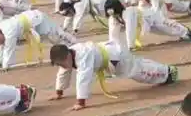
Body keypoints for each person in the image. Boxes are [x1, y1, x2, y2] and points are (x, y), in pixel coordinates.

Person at [49, 42, 178, 110]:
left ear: (67, 56)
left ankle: (168, 73)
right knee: (139, 65)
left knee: (139, 72)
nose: (64, 67)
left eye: (62, 63)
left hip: (116, 57)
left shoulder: (83, 56)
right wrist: (58, 92)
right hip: (110, 55)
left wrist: (80, 102)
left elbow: (83, 79)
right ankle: (166, 70)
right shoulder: (69, 54)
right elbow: (63, 73)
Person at [0, 9, 76, 69]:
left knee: (56, 36)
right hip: (32, 23)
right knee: (55, 37)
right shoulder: (0, 28)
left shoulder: (9, 31)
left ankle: (74, 44)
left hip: (38, 19)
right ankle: (71, 45)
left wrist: (5, 66)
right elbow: (1, 47)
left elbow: (8, 49)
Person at [105, 0, 191, 51]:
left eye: (111, 9)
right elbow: (113, 33)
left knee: (167, 29)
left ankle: (185, 31)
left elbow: (130, 30)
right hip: (144, 24)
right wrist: (112, 47)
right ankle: (182, 32)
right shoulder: (113, 18)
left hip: (151, 17)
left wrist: (130, 46)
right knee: (162, 32)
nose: (110, 12)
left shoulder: (129, 13)